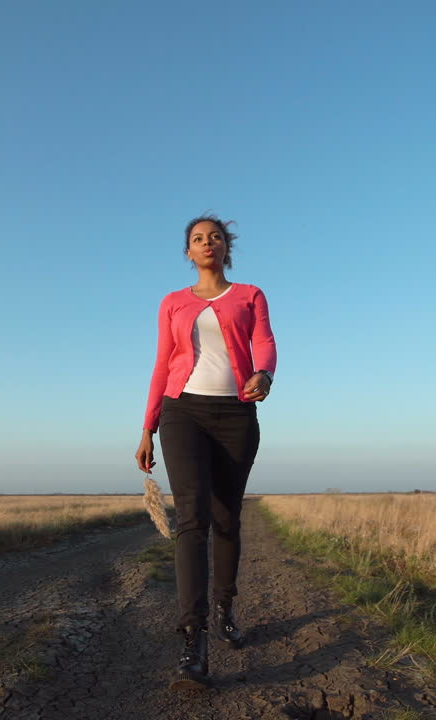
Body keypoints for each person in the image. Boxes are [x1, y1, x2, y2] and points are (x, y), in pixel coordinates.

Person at [134, 213, 276, 689]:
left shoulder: (250, 295)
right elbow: (161, 363)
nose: (207, 243)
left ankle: (224, 608)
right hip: (183, 413)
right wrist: (148, 425)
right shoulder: (172, 302)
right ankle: (193, 640)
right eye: (198, 238)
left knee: (226, 519)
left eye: (215, 236)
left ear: (225, 247)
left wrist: (264, 375)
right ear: (189, 252)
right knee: (191, 519)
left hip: (236, 415)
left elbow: (264, 343)